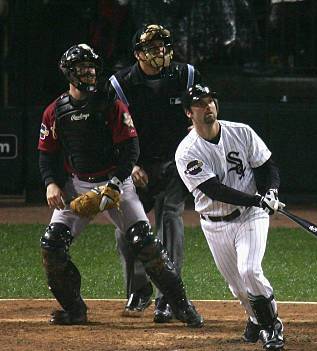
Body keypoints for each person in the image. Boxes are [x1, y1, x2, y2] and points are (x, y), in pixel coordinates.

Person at [37, 43, 203, 328]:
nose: (89, 72)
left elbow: (130, 148)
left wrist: (115, 183)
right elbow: (46, 153)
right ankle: (75, 309)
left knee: (145, 243)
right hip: (77, 186)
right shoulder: (55, 111)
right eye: (82, 67)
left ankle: (181, 305)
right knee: (52, 246)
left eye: (91, 67)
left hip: (117, 184)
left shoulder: (110, 103)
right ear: (68, 71)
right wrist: (51, 184)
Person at [175, 84, 285, 351]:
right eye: (200, 103)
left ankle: (272, 327)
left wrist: (270, 192)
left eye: (211, 100)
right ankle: (254, 317)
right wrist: (258, 197)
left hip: (250, 216)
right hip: (214, 223)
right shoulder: (187, 152)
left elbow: (267, 166)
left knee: (249, 270)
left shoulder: (241, 132)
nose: (208, 106)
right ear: (189, 113)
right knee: (238, 288)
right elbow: (214, 190)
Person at [107, 24, 202, 323]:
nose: (160, 51)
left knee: (170, 219)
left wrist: (197, 126)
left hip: (176, 163)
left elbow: (204, 109)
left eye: (163, 45)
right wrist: (130, 164)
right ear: (137, 54)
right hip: (136, 165)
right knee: (126, 230)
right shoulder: (119, 84)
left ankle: (168, 297)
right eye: (152, 47)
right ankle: (139, 289)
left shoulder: (186, 75)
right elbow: (109, 130)